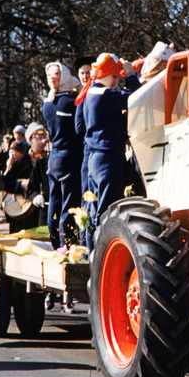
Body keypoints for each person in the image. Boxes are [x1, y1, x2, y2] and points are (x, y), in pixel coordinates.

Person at [73, 53, 141, 245]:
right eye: (115, 76)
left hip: (96, 159)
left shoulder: (90, 93)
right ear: (107, 73)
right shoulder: (103, 93)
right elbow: (136, 97)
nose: (117, 80)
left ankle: (92, 253)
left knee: (94, 210)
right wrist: (131, 74)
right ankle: (100, 256)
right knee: (108, 211)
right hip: (107, 160)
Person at [42, 61, 83, 248]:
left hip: (53, 159)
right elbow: (79, 129)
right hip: (69, 157)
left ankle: (54, 241)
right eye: (50, 74)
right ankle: (67, 243)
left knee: (54, 202)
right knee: (68, 203)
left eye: (56, 74)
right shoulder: (70, 102)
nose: (52, 77)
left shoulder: (47, 105)